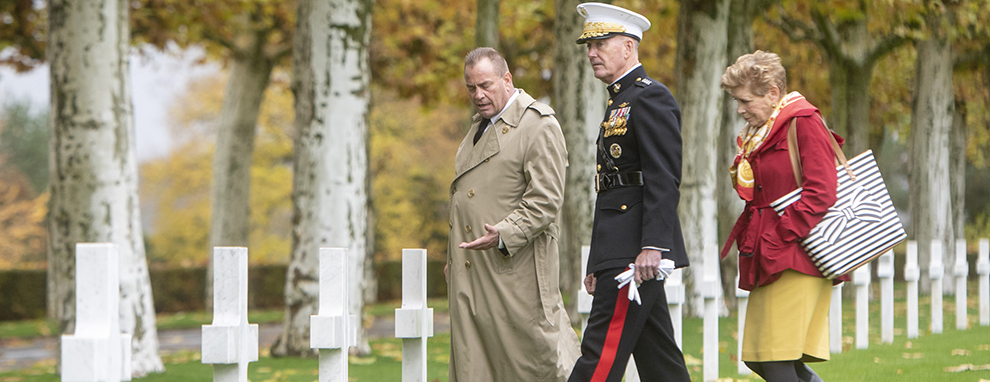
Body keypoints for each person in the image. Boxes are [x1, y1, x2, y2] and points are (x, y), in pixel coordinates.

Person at [568, 4, 690, 382]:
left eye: (601, 43)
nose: (591, 52)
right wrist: (596, 260)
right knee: (660, 361)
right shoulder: (619, 102)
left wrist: (653, 244)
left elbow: (662, 178)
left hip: (636, 251)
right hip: (619, 248)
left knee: (600, 354)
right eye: (588, 45)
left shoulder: (649, 97)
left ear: (628, 46)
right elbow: (610, 185)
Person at [445, 47, 580, 382]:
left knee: (535, 366)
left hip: (514, 272)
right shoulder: (480, 125)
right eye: (471, 88)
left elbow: (547, 200)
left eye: (486, 85)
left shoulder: (537, 124)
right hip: (474, 273)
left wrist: (504, 233)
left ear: (507, 79)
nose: (478, 95)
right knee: (476, 367)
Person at [719, 50, 846, 382]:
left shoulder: (803, 122)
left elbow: (821, 192)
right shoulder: (761, 133)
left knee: (775, 360)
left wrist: (779, 236)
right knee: (761, 359)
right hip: (770, 257)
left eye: (746, 101)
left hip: (796, 257)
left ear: (773, 93)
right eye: (737, 101)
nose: (740, 109)